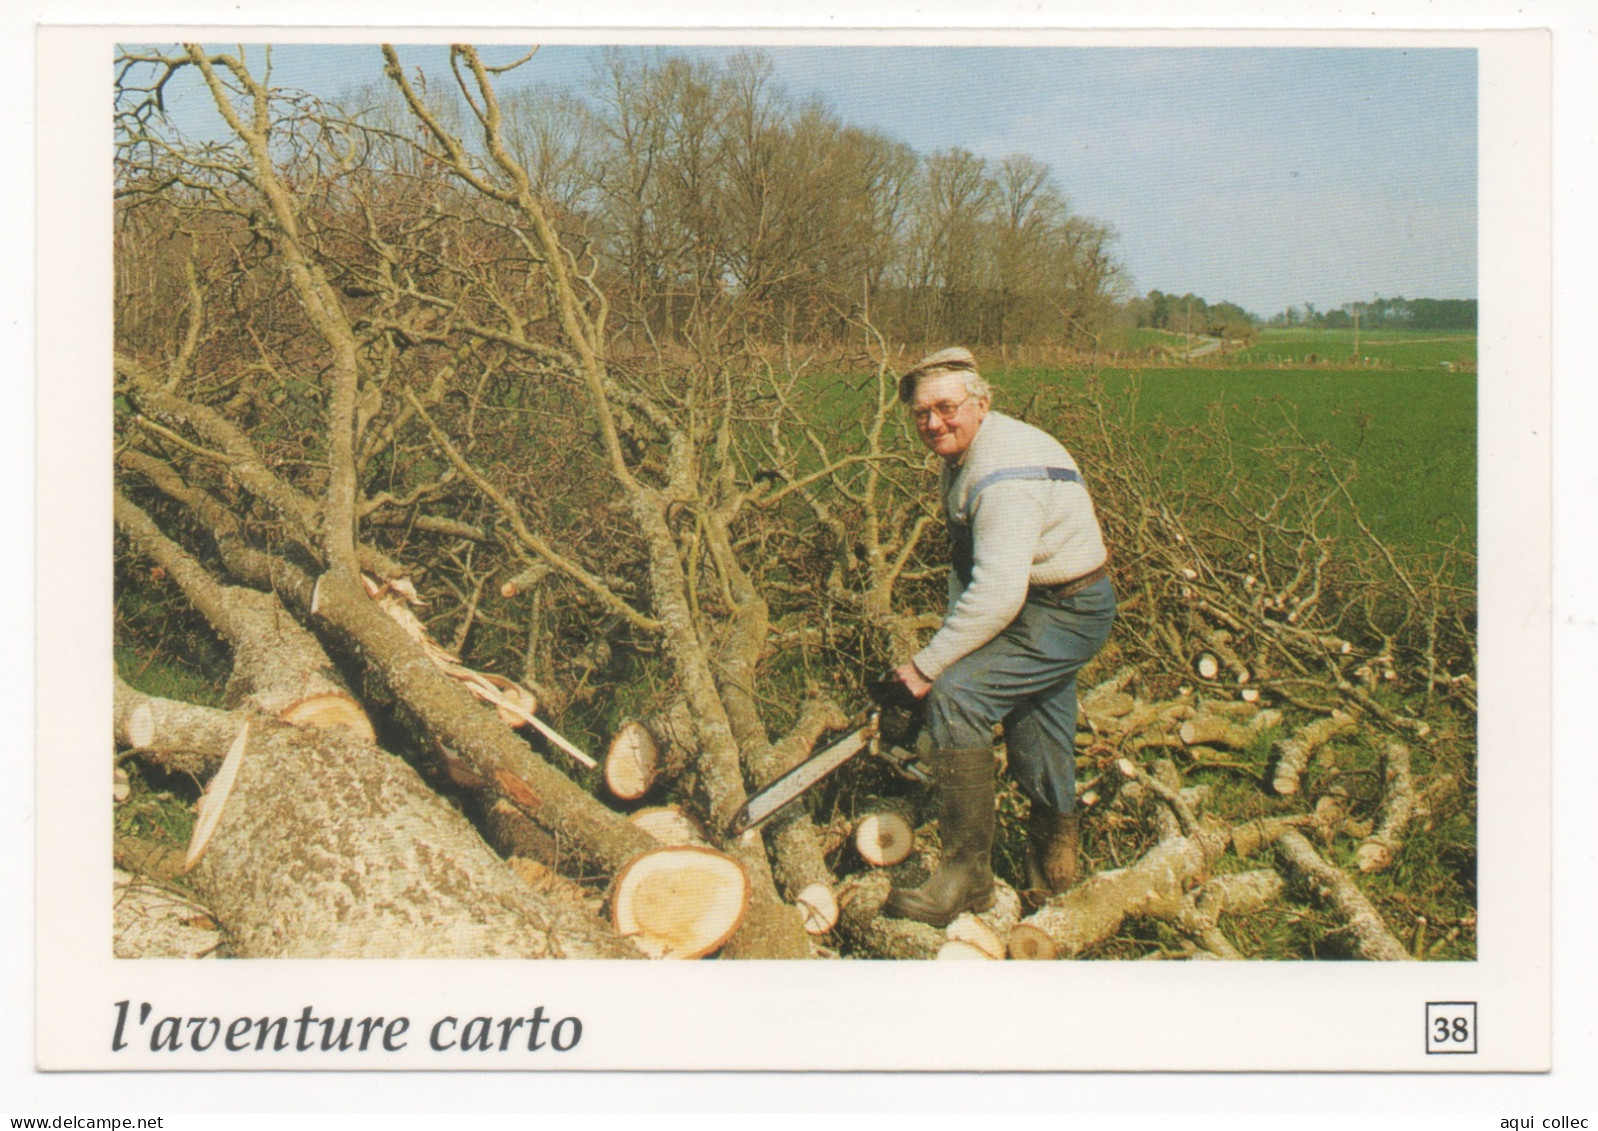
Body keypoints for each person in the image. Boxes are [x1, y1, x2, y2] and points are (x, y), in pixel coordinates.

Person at [884, 346, 1116, 926]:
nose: (934, 423)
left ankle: (968, 879)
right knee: (1039, 729)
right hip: (1039, 601)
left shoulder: (1001, 474)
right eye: (921, 414)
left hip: (1064, 608)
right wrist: (942, 651)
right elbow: (970, 574)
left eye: (946, 408)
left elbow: (996, 595)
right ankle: (1053, 885)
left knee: (959, 696)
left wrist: (925, 670)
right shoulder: (969, 456)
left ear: (981, 403)